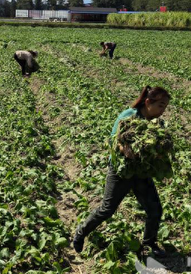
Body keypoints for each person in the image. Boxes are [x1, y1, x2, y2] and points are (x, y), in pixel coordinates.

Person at [72, 86, 171, 257]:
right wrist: (123, 148)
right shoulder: (129, 116)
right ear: (148, 102)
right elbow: (114, 138)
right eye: (161, 105)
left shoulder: (155, 123)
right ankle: (81, 232)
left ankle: (149, 243)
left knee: (154, 209)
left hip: (141, 172)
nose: (163, 111)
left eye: (165, 107)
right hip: (121, 171)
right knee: (107, 209)